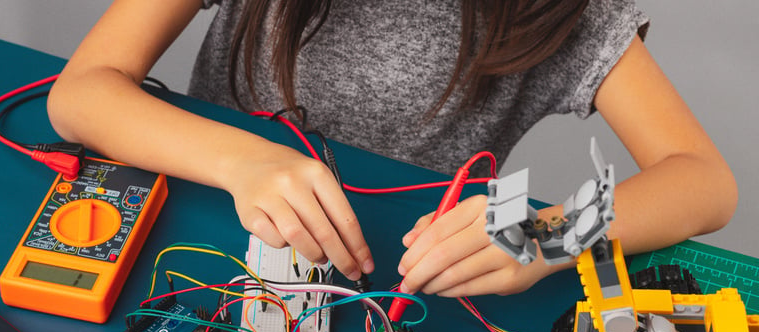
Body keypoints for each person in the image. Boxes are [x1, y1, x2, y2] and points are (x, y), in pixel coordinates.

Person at [47, 0, 737, 298]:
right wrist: (243, 162)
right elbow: (79, 96)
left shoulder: (565, 15)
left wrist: (541, 234)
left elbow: (705, 183)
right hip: (193, 251)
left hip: (395, 284)